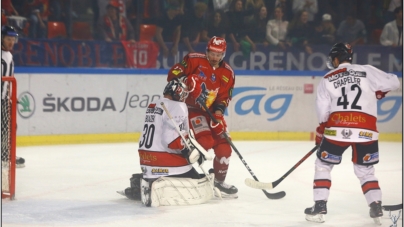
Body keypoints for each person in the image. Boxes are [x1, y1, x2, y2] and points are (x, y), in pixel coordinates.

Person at [305, 43, 400, 224]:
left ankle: (319, 207)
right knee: (366, 171)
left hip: (337, 129)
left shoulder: (328, 77)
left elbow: (322, 109)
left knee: (323, 165)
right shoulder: (367, 70)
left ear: (336, 58)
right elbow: (395, 81)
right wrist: (379, 92)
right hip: (366, 129)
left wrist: (321, 130)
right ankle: (376, 206)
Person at [118, 79, 214, 207]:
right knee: (196, 178)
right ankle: (156, 186)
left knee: (184, 167)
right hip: (162, 159)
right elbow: (172, 140)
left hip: (146, 159)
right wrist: (188, 152)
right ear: (178, 92)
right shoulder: (177, 106)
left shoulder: (154, 104)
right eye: (183, 94)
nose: (184, 97)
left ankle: (142, 182)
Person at [166, 36, 237, 198]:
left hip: (212, 112)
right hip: (192, 110)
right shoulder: (193, 60)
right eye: (212, 53)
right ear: (207, 51)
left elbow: (224, 97)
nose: (214, 58)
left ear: (223, 54)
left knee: (225, 148)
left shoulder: (228, 73)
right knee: (205, 142)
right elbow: (173, 74)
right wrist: (186, 80)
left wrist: (218, 115)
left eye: (218, 55)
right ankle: (179, 172)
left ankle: (218, 182)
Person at [1, 26, 25, 168]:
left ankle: (6, 155)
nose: (11, 42)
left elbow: (9, 78)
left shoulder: (9, 56)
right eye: (8, 39)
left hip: (4, 100)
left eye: (13, 39)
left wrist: (12, 96)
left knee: (10, 127)